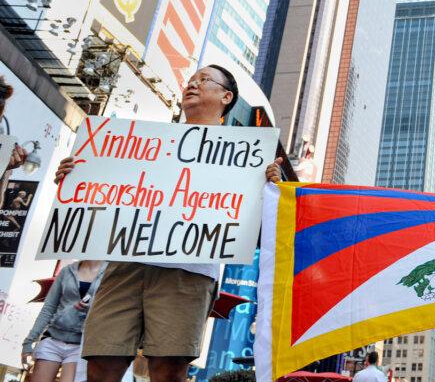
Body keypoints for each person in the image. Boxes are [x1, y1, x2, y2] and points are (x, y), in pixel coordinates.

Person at [53, 65, 283, 382]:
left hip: (188, 272)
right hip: (126, 264)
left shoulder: (245, 155)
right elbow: (107, 194)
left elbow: (265, 220)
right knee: (101, 361)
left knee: (167, 369)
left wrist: (272, 186)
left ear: (226, 96)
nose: (193, 85)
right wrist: (76, 179)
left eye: (204, 80)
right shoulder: (142, 145)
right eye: (190, 80)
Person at [22, 260, 106, 382]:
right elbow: (48, 308)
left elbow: (110, 310)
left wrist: (91, 307)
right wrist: (28, 342)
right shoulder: (67, 270)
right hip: (53, 339)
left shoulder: (110, 272)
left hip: (81, 345)